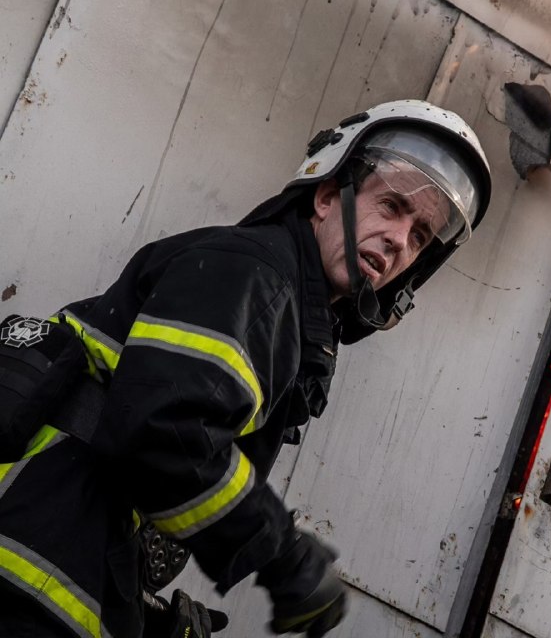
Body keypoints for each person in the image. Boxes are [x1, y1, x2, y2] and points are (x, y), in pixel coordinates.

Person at [0, 100, 492, 638]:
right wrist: (283, 557)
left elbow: (140, 471)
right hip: (23, 579)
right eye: (392, 206)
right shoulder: (258, 279)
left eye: (420, 235)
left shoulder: (287, 312)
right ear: (327, 196)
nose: (400, 240)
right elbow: (163, 436)